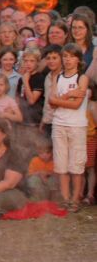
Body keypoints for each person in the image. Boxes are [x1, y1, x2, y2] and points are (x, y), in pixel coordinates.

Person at [49, 43, 88, 212]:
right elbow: (52, 102)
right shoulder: (57, 77)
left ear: (78, 59)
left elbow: (77, 105)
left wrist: (61, 100)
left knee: (76, 165)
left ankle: (75, 199)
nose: (68, 60)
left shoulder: (82, 78)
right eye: (65, 56)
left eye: (71, 56)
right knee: (61, 164)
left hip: (77, 125)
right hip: (59, 124)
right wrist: (69, 95)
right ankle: (65, 198)